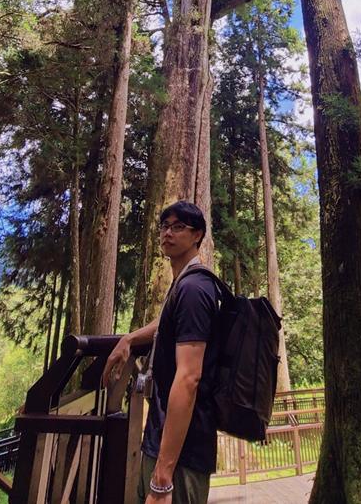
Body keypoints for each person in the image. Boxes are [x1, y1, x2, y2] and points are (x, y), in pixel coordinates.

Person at [102, 201, 219, 504]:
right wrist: (130, 338)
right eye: (164, 226)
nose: (168, 233)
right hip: (164, 440)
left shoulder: (194, 290)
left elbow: (189, 378)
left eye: (178, 227)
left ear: (197, 235)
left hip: (181, 453)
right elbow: (167, 320)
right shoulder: (183, 285)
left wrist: (164, 477)